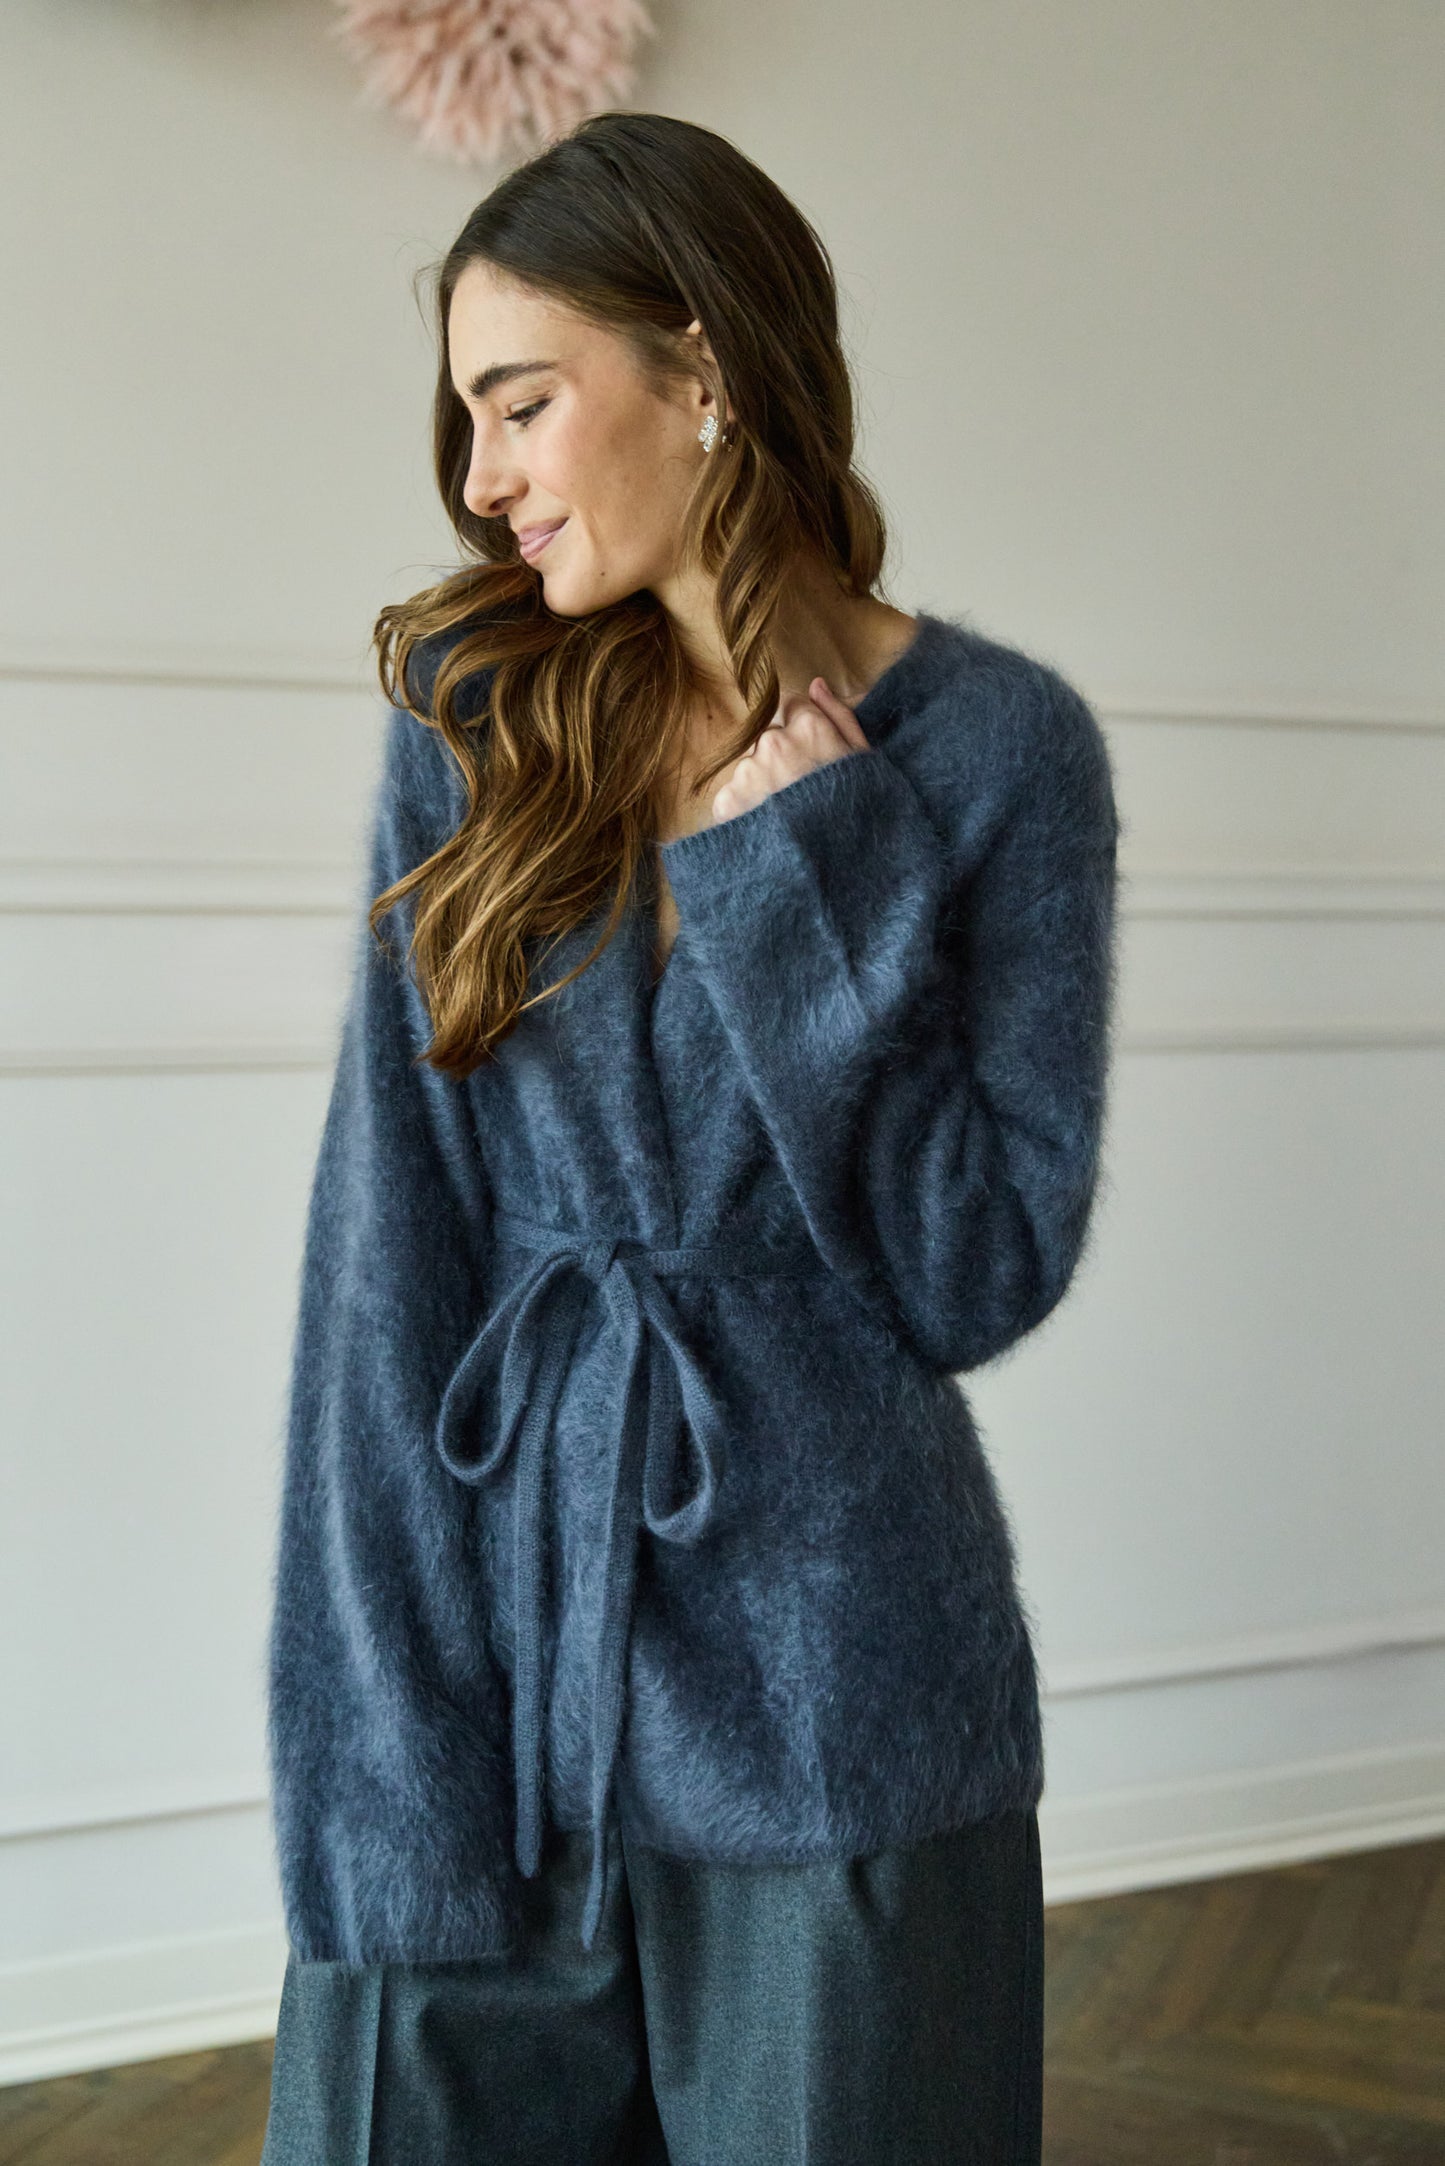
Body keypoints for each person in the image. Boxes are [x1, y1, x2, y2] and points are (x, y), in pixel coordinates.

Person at [260, 108, 1120, 2166]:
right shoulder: (476, 717)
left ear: (705, 372)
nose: (481, 477)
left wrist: (799, 883)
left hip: (842, 1709)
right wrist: (377, 1751)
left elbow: (974, 1271)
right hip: (494, 1685)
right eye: (468, 418)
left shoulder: (999, 750)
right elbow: (388, 1260)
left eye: (522, 402)